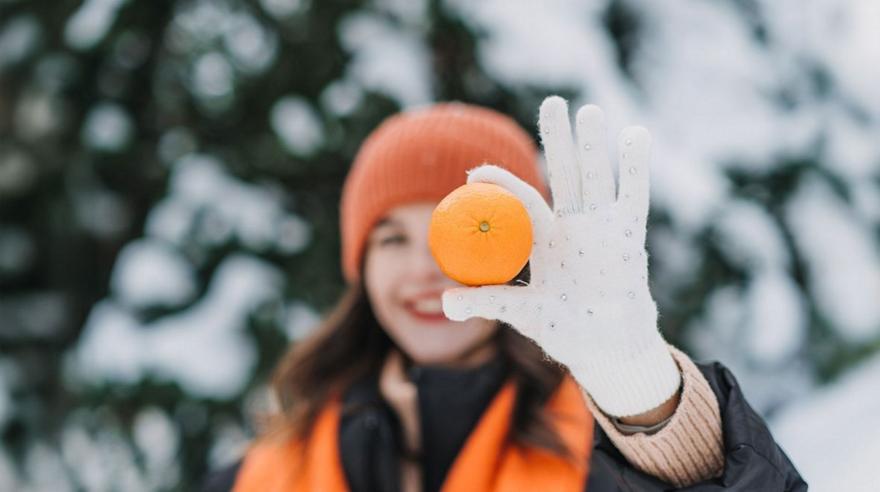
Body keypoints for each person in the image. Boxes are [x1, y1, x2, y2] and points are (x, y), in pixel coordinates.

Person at [202, 97, 807, 491]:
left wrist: (647, 402)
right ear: (359, 268)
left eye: (451, 231)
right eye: (391, 239)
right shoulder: (270, 465)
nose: (424, 269)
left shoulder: (597, 447)